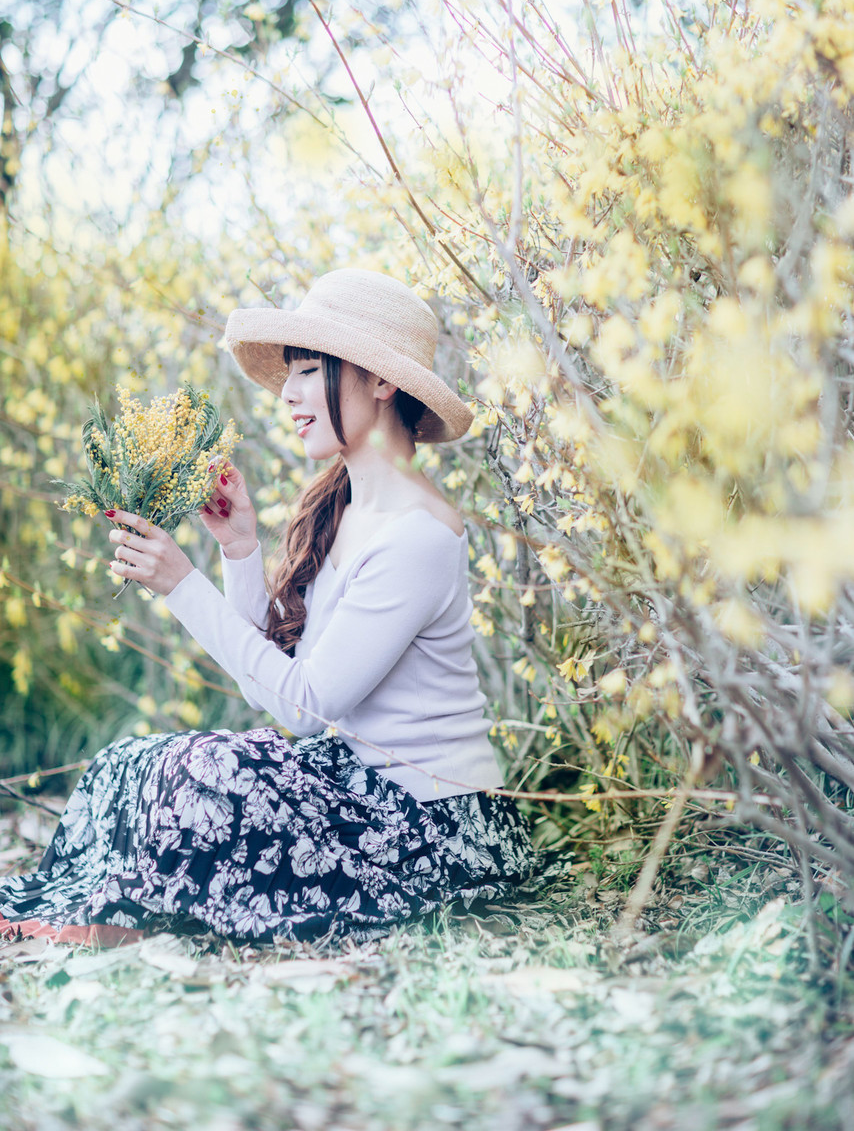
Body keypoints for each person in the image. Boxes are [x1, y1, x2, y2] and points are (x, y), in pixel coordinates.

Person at [0, 268, 538, 949]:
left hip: (434, 829)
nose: (288, 393)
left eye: (309, 371)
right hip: (360, 793)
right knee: (132, 761)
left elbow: (302, 708)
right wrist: (240, 547)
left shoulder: (418, 536)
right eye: (292, 374)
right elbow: (276, 682)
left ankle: (120, 919)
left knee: (202, 773)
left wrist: (182, 585)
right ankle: (101, 909)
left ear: (381, 382)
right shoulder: (347, 508)